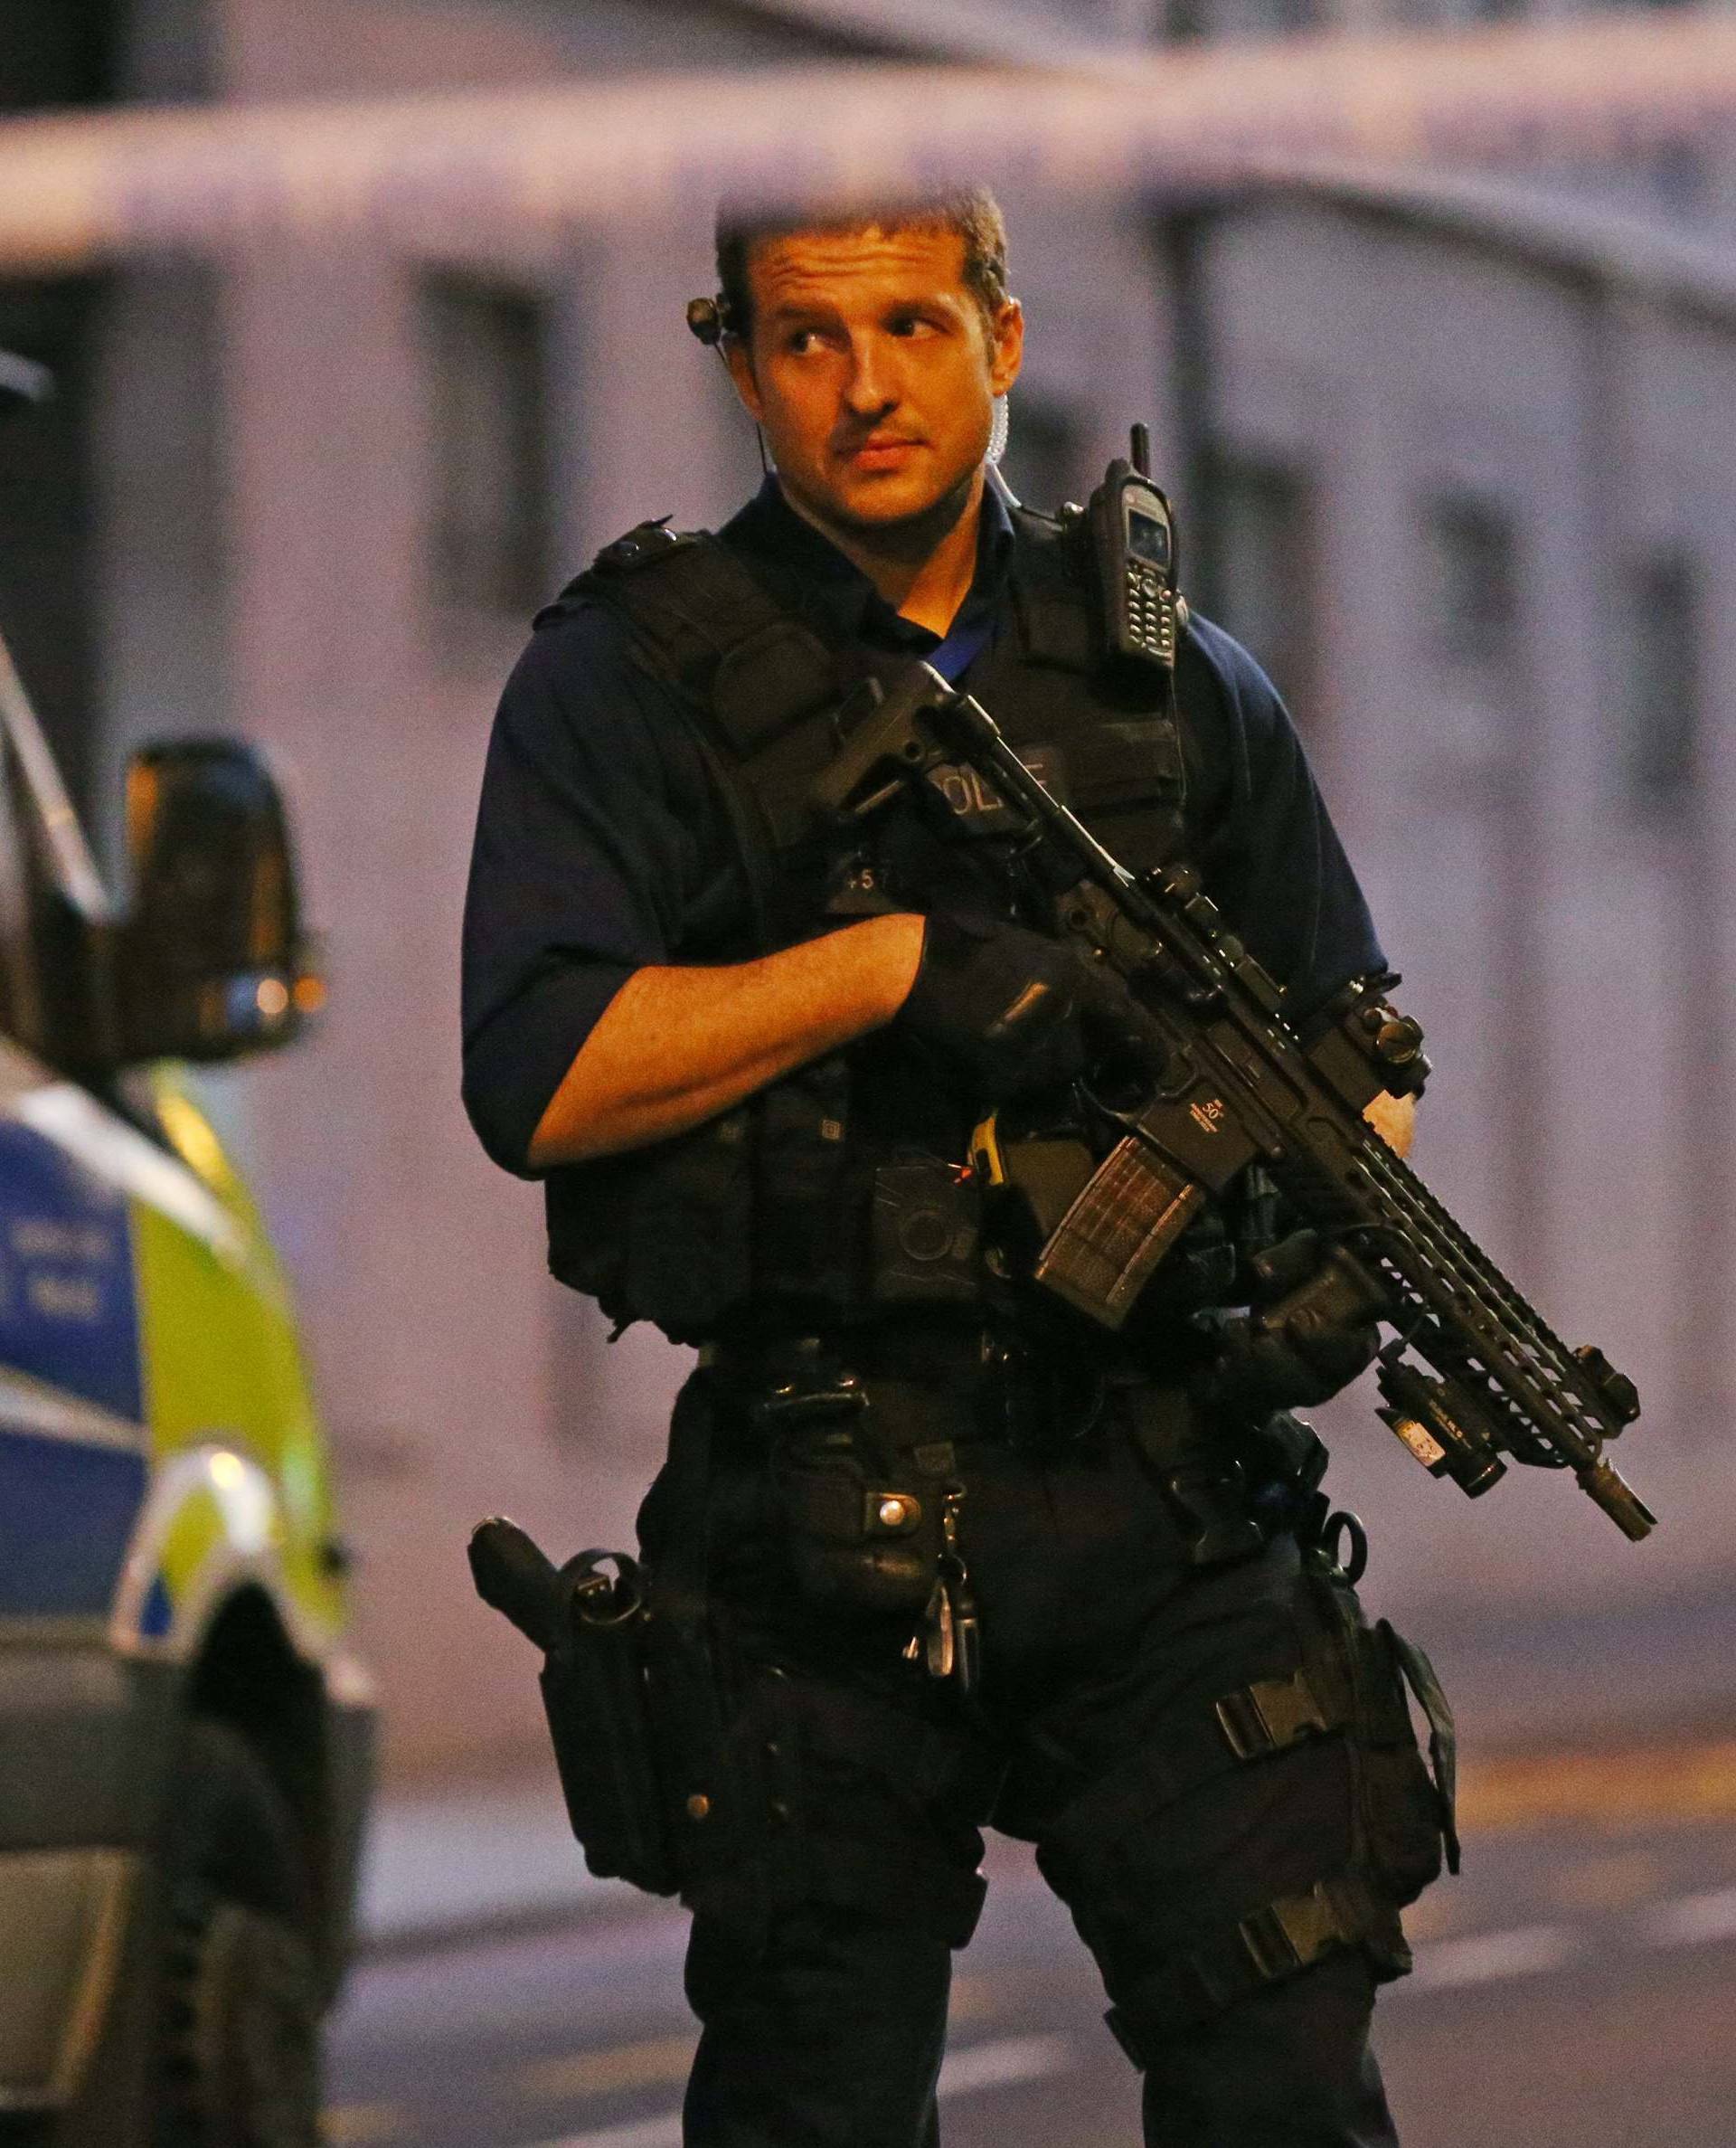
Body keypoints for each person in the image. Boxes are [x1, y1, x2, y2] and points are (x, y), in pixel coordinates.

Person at [461, 188, 1452, 2148]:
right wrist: (885, 972)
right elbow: (537, 1077)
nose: (864, 385)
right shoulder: (630, 676)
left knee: (1287, 2088)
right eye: (807, 338)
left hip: (1160, 1493)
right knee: (813, 2107)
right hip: (822, 1506)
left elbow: (1357, 1045)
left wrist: (1303, 1259)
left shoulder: (1170, 676)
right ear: (738, 363)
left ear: (1003, 341)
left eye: (912, 326)